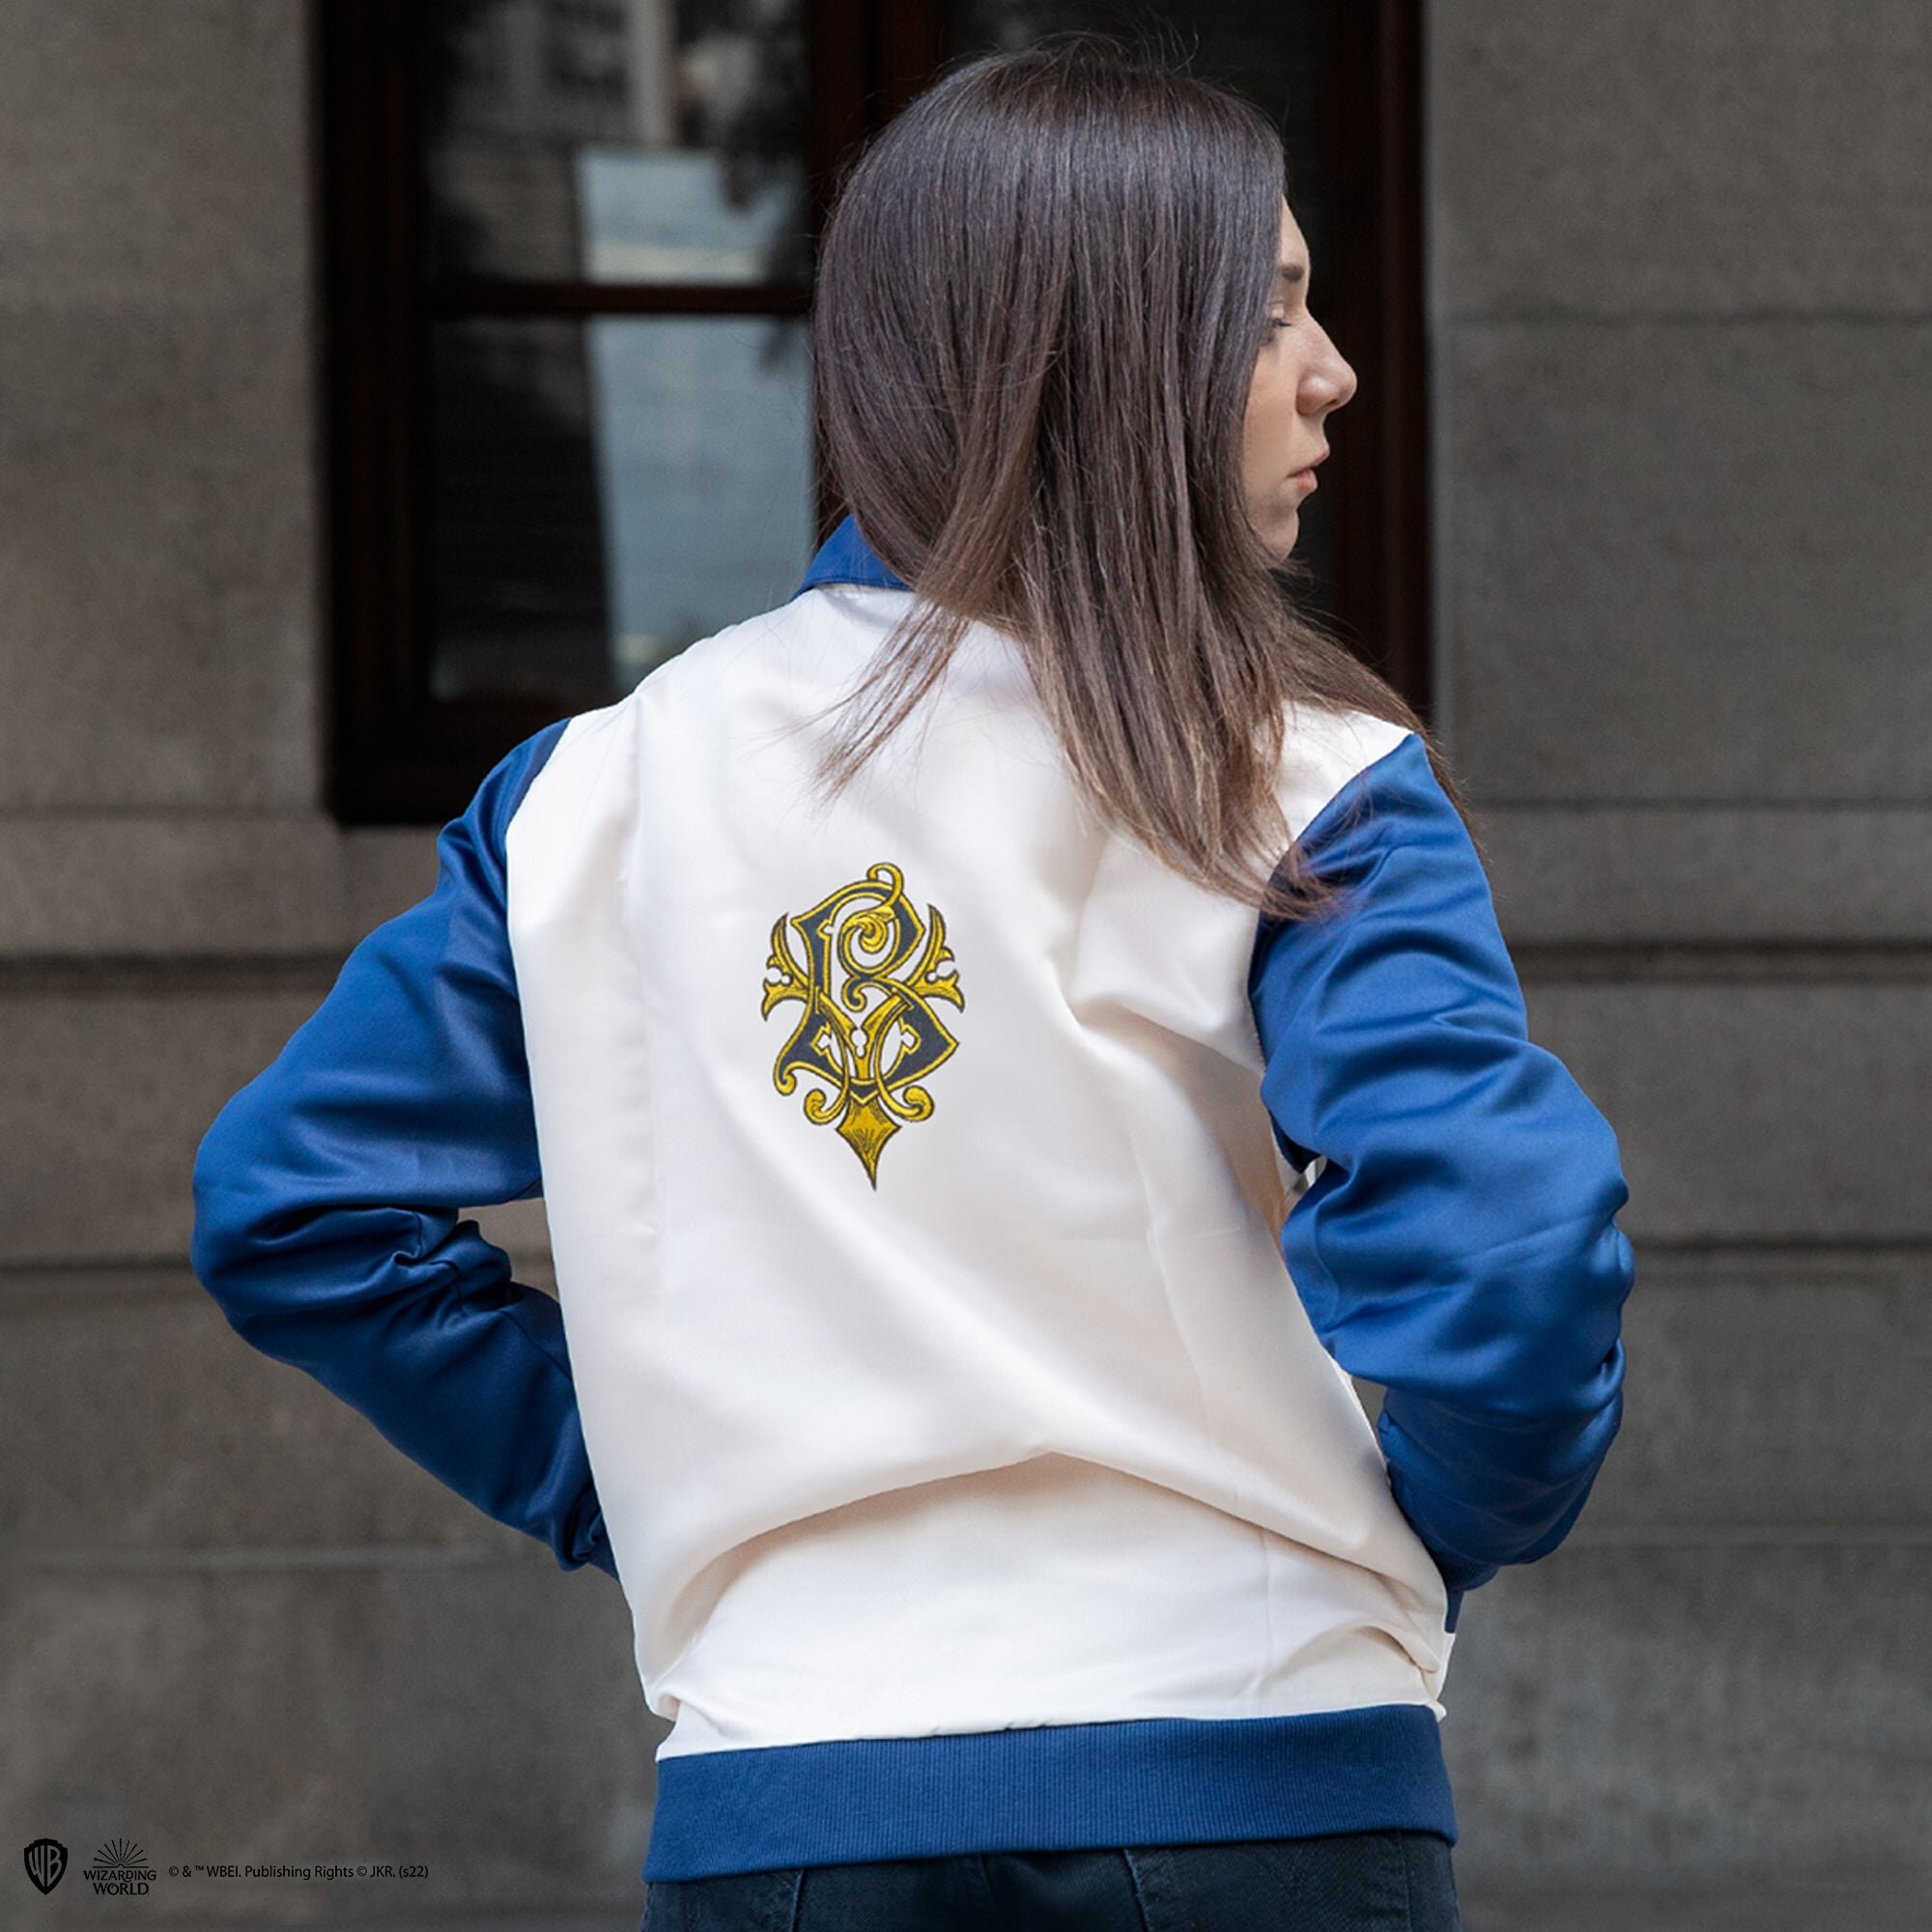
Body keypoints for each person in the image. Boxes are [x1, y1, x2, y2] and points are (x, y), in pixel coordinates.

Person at [190, 37, 1633, 1932]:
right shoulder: (1296, 772)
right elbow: (1511, 1253)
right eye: (1271, 307)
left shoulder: (597, 794)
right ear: (1107, 352)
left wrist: (653, 1479)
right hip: (1261, 1769)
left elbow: (289, 1204)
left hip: (787, 1796)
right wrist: (1425, 1525)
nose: (1333, 366)